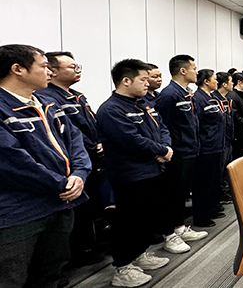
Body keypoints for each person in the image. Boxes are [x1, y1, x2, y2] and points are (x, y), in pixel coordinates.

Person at [0, 44, 91, 288]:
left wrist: (80, 174)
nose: (49, 72)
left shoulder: (46, 103)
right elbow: (11, 161)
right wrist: (62, 183)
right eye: (43, 66)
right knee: (11, 278)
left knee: (52, 273)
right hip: (19, 213)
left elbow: (75, 140)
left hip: (60, 203)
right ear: (17, 69)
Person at [96, 59, 173, 287]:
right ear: (126, 81)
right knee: (128, 221)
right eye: (143, 79)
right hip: (129, 174)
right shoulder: (111, 109)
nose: (147, 83)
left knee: (146, 218)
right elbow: (131, 140)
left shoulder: (142, 104)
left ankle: (139, 254)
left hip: (152, 170)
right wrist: (160, 150)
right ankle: (123, 267)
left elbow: (162, 128)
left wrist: (166, 148)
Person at [36, 51, 108, 261]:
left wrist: (99, 143)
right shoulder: (48, 98)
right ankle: (81, 252)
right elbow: (68, 132)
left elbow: (90, 124)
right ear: (53, 71)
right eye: (71, 67)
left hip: (89, 160)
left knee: (93, 205)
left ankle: (90, 245)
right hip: (74, 163)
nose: (77, 70)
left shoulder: (76, 95)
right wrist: (92, 146)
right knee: (78, 210)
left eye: (78, 66)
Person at [154, 55, 208, 250]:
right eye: (194, 68)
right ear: (183, 71)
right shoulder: (169, 95)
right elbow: (164, 126)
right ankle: (171, 233)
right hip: (177, 154)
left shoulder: (186, 93)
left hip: (191, 150)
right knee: (173, 195)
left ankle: (180, 227)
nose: (196, 71)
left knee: (182, 193)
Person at [191, 69, 226, 227]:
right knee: (203, 184)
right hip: (206, 147)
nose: (216, 82)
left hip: (217, 145)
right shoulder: (198, 98)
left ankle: (211, 208)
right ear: (206, 81)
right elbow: (196, 125)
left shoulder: (211, 97)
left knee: (213, 181)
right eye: (214, 79)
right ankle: (201, 216)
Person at [213, 71, 235, 202]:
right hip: (218, 141)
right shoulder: (214, 99)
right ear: (224, 84)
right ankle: (220, 195)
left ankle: (224, 192)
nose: (232, 84)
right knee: (218, 171)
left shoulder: (225, 99)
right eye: (230, 81)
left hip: (228, 139)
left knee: (225, 168)